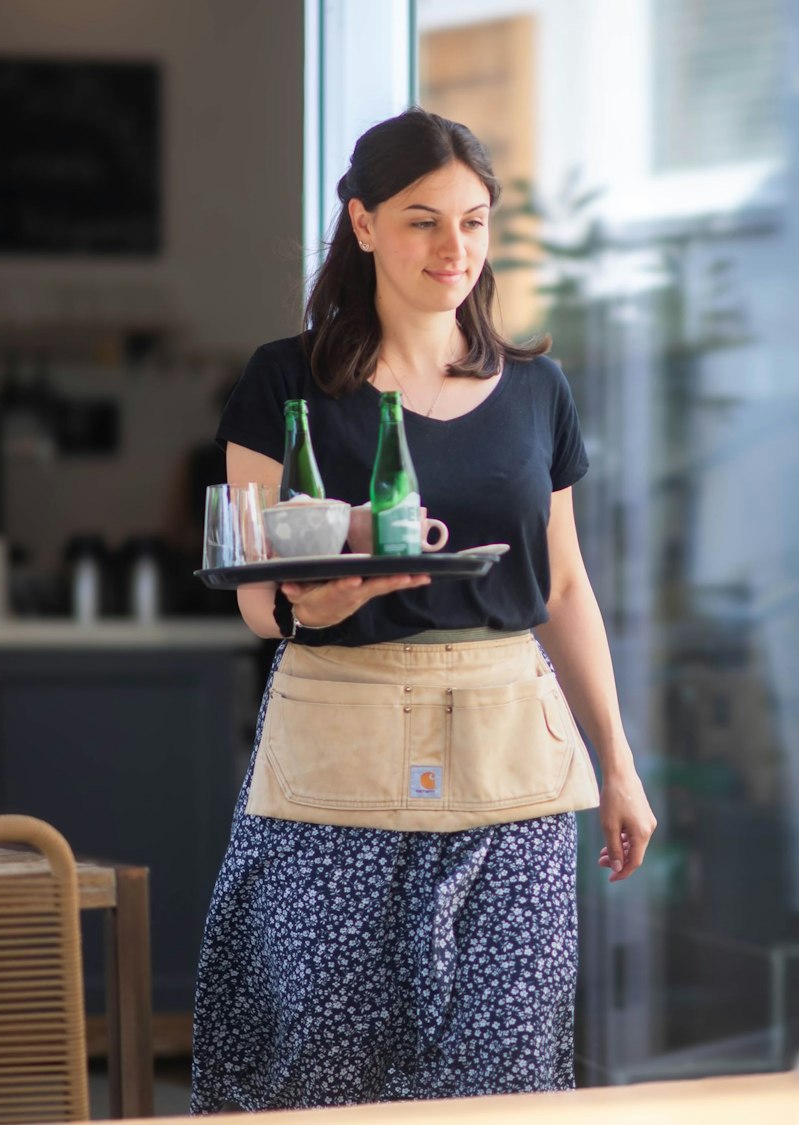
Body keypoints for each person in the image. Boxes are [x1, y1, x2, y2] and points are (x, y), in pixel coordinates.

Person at [190, 106, 657, 1111]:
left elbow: (564, 589)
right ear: (360, 224)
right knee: (322, 1074)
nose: (456, 250)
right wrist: (316, 600)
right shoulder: (285, 382)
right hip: (338, 755)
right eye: (422, 221)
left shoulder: (537, 389)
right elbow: (258, 596)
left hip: (513, 768)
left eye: (475, 221)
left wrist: (616, 765)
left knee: (506, 1076)